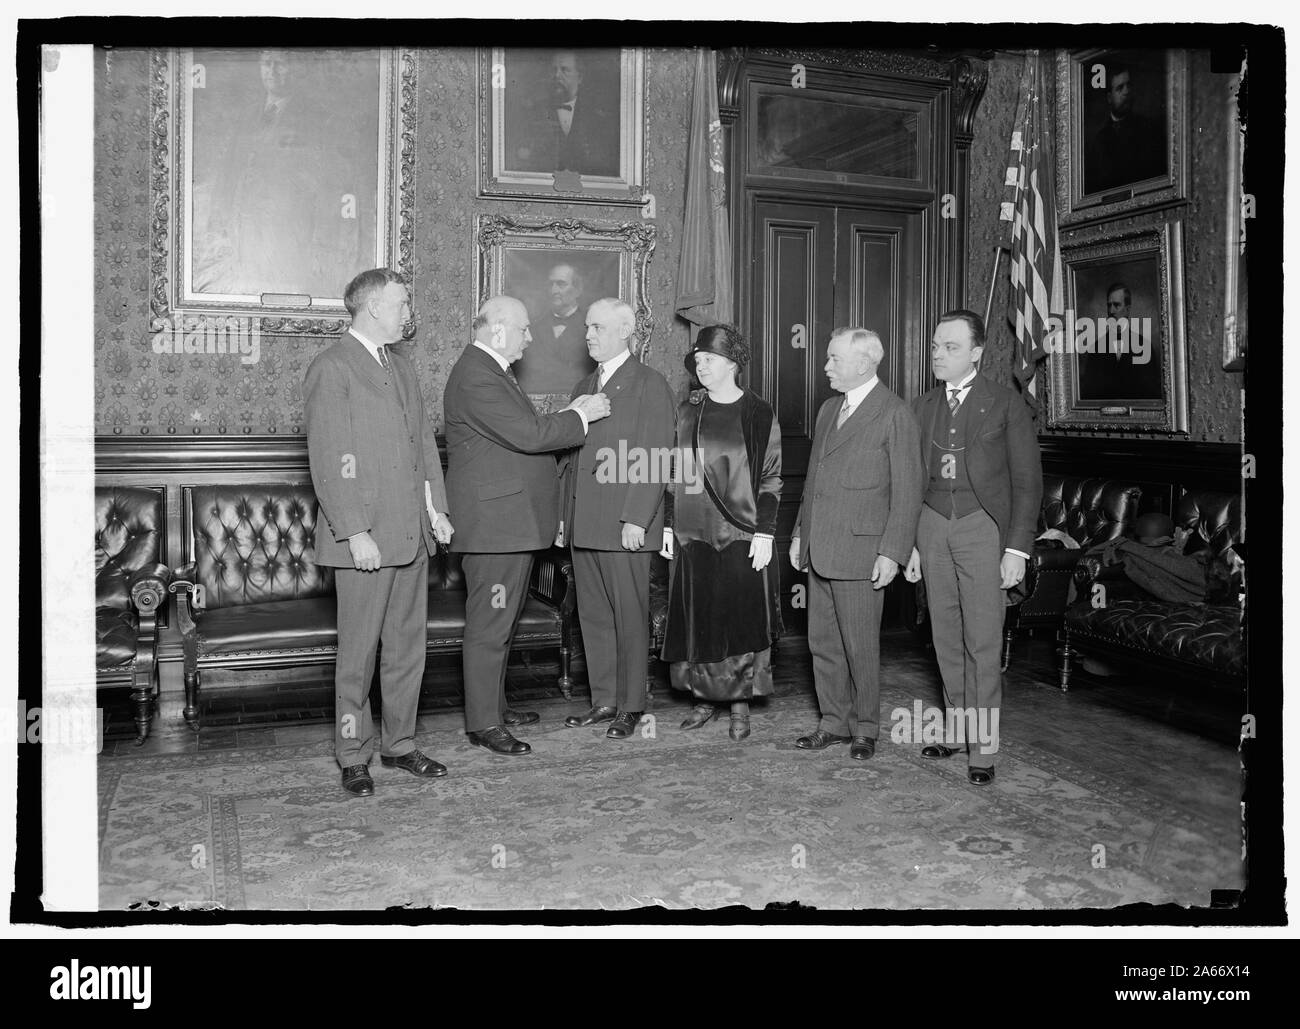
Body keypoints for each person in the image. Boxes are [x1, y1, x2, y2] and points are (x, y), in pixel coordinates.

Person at [304, 268, 454, 798]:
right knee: (358, 656)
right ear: (372, 309)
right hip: (365, 542)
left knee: (407, 651)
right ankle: (353, 754)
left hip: (413, 536)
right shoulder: (332, 368)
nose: (408, 312)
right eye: (402, 303)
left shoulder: (403, 369)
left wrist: (437, 510)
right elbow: (328, 460)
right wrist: (354, 532)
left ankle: (400, 744)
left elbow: (423, 450)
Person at [443, 296, 610, 755]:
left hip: (507, 523)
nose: (530, 337)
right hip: (496, 527)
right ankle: (483, 723)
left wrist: (568, 414)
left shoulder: (490, 371)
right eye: (523, 329)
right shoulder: (478, 375)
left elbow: (520, 432)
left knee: (501, 622)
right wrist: (581, 414)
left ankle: (492, 706)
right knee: (490, 624)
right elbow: (529, 434)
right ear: (497, 329)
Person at [904, 310, 1043, 786]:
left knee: (982, 641)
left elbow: (1027, 484)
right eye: (937, 346)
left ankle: (983, 749)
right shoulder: (920, 408)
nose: (939, 355)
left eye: (951, 348)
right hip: (931, 526)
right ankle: (959, 729)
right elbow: (910, 484)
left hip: (983, 530)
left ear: (977, 354)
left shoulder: (1007, 405)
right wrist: (911, 545)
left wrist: (1017, 550)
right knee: (944, 635)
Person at [789, 328, 923, 760]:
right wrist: (798, 534)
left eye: (834, 359)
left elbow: (908, 490)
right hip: (820, 547)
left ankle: (865, 727)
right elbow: (814, 480)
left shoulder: (894, 412)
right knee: (822, 643)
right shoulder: (829, 409)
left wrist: (893, 551)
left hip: (863, 553)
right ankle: (833, 722)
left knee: (860, 645)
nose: (826, 366)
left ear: (864, 363)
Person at [559, 299, 676, 739]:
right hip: (584, 523)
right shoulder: (582, 387)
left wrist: (636, 520)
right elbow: (571, 461)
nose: (588, 335)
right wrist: (563, 518)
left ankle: (631, 705)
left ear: (626, 331)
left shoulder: (649, 383)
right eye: (587, 326)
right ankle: (604, 699)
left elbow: (655, 457)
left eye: (598, 327)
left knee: (629, 617)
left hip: (625, 525)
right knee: (593, 616)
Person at [660, 325, 783, 742]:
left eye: (709, 359)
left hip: (740, 530)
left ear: (732, 363)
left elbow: (770, 475)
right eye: (697, 360)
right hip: (692, 531)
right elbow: (673, 472)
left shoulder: (757, 411)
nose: (701, 366)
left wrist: (765, 532)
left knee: (739, 617)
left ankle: (739, 703)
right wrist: (667, 523)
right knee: (701, 617)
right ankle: (702, 699)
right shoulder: (687, 411)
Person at [516, 50, 619, 177]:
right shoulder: (534, 113)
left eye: (564, 70)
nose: (557, 75)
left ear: (579, 77)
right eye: (554, 70)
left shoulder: (597, 119)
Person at [514, 263, 597, 394]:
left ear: (578, 290)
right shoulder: (533, 327)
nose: (554, 290)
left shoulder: (592, 328)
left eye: (561, 284)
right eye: (550, 284)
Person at [1084, 62, 1165, 195]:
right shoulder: (1098, 141)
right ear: (1109, 98)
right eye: (1120, 88)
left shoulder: (1149, 129)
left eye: (1129, 85)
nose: (1127, 91)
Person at [1076, 282, 1163, 402]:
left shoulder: (1144, 346)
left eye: (1116, 305)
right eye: (1109, 305)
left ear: (1127, 309)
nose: (1111, 310)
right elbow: (1088, 395)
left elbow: (1152, 394)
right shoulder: (1095, 348)